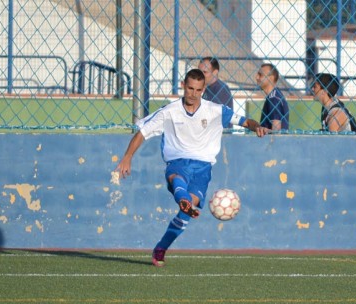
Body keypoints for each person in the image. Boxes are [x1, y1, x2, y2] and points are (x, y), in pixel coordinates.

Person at [115, 69, 269, 267]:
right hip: (178, 162)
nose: (193, 93)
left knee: (186, 211)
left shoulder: (215, 110)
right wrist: (127, 157)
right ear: (183, 86)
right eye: (190, 88)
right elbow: (142, 133)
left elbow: (245, 121)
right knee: (177, 179)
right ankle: (184, 200)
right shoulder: (169, 112)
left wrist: (257, 127)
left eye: (198, 89)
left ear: (203, 89)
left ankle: (161, 247)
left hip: (203, 168)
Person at [256, 63, 289, 131]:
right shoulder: (274, 96)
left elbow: (276, 129)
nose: (256, 77)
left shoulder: (273, 98)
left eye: (260, 75)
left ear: (271, 78)